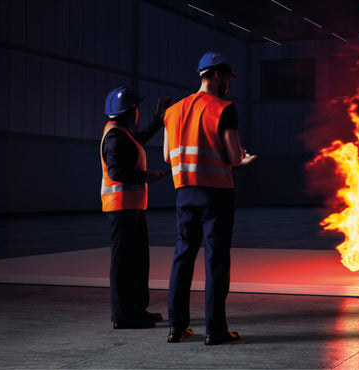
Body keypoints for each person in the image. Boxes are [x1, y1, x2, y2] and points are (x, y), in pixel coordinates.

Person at [161, 52, 256, 345]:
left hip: (184, 192)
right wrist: (243, 159)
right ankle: (215, 331)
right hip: (216, 193)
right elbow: (232, 156)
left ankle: (177, 328)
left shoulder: (173, 110)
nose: (228, 83)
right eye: (227, 77)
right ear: (217, 75)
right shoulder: (223, 108)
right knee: (215, 260)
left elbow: (167, 156)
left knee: (182, 257)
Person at [100, 86, 173, 329]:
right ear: (130, 111)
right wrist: (146, 177)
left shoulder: (124, 133)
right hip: (121, 209)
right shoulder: (114, 137)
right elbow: (115, 171)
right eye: (136, 108)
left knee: (138, 261)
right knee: (123, 264)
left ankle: (137, 309)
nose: (138, 112)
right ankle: (123, 316)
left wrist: (158, 119)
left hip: (132, 208)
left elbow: (140, 138)